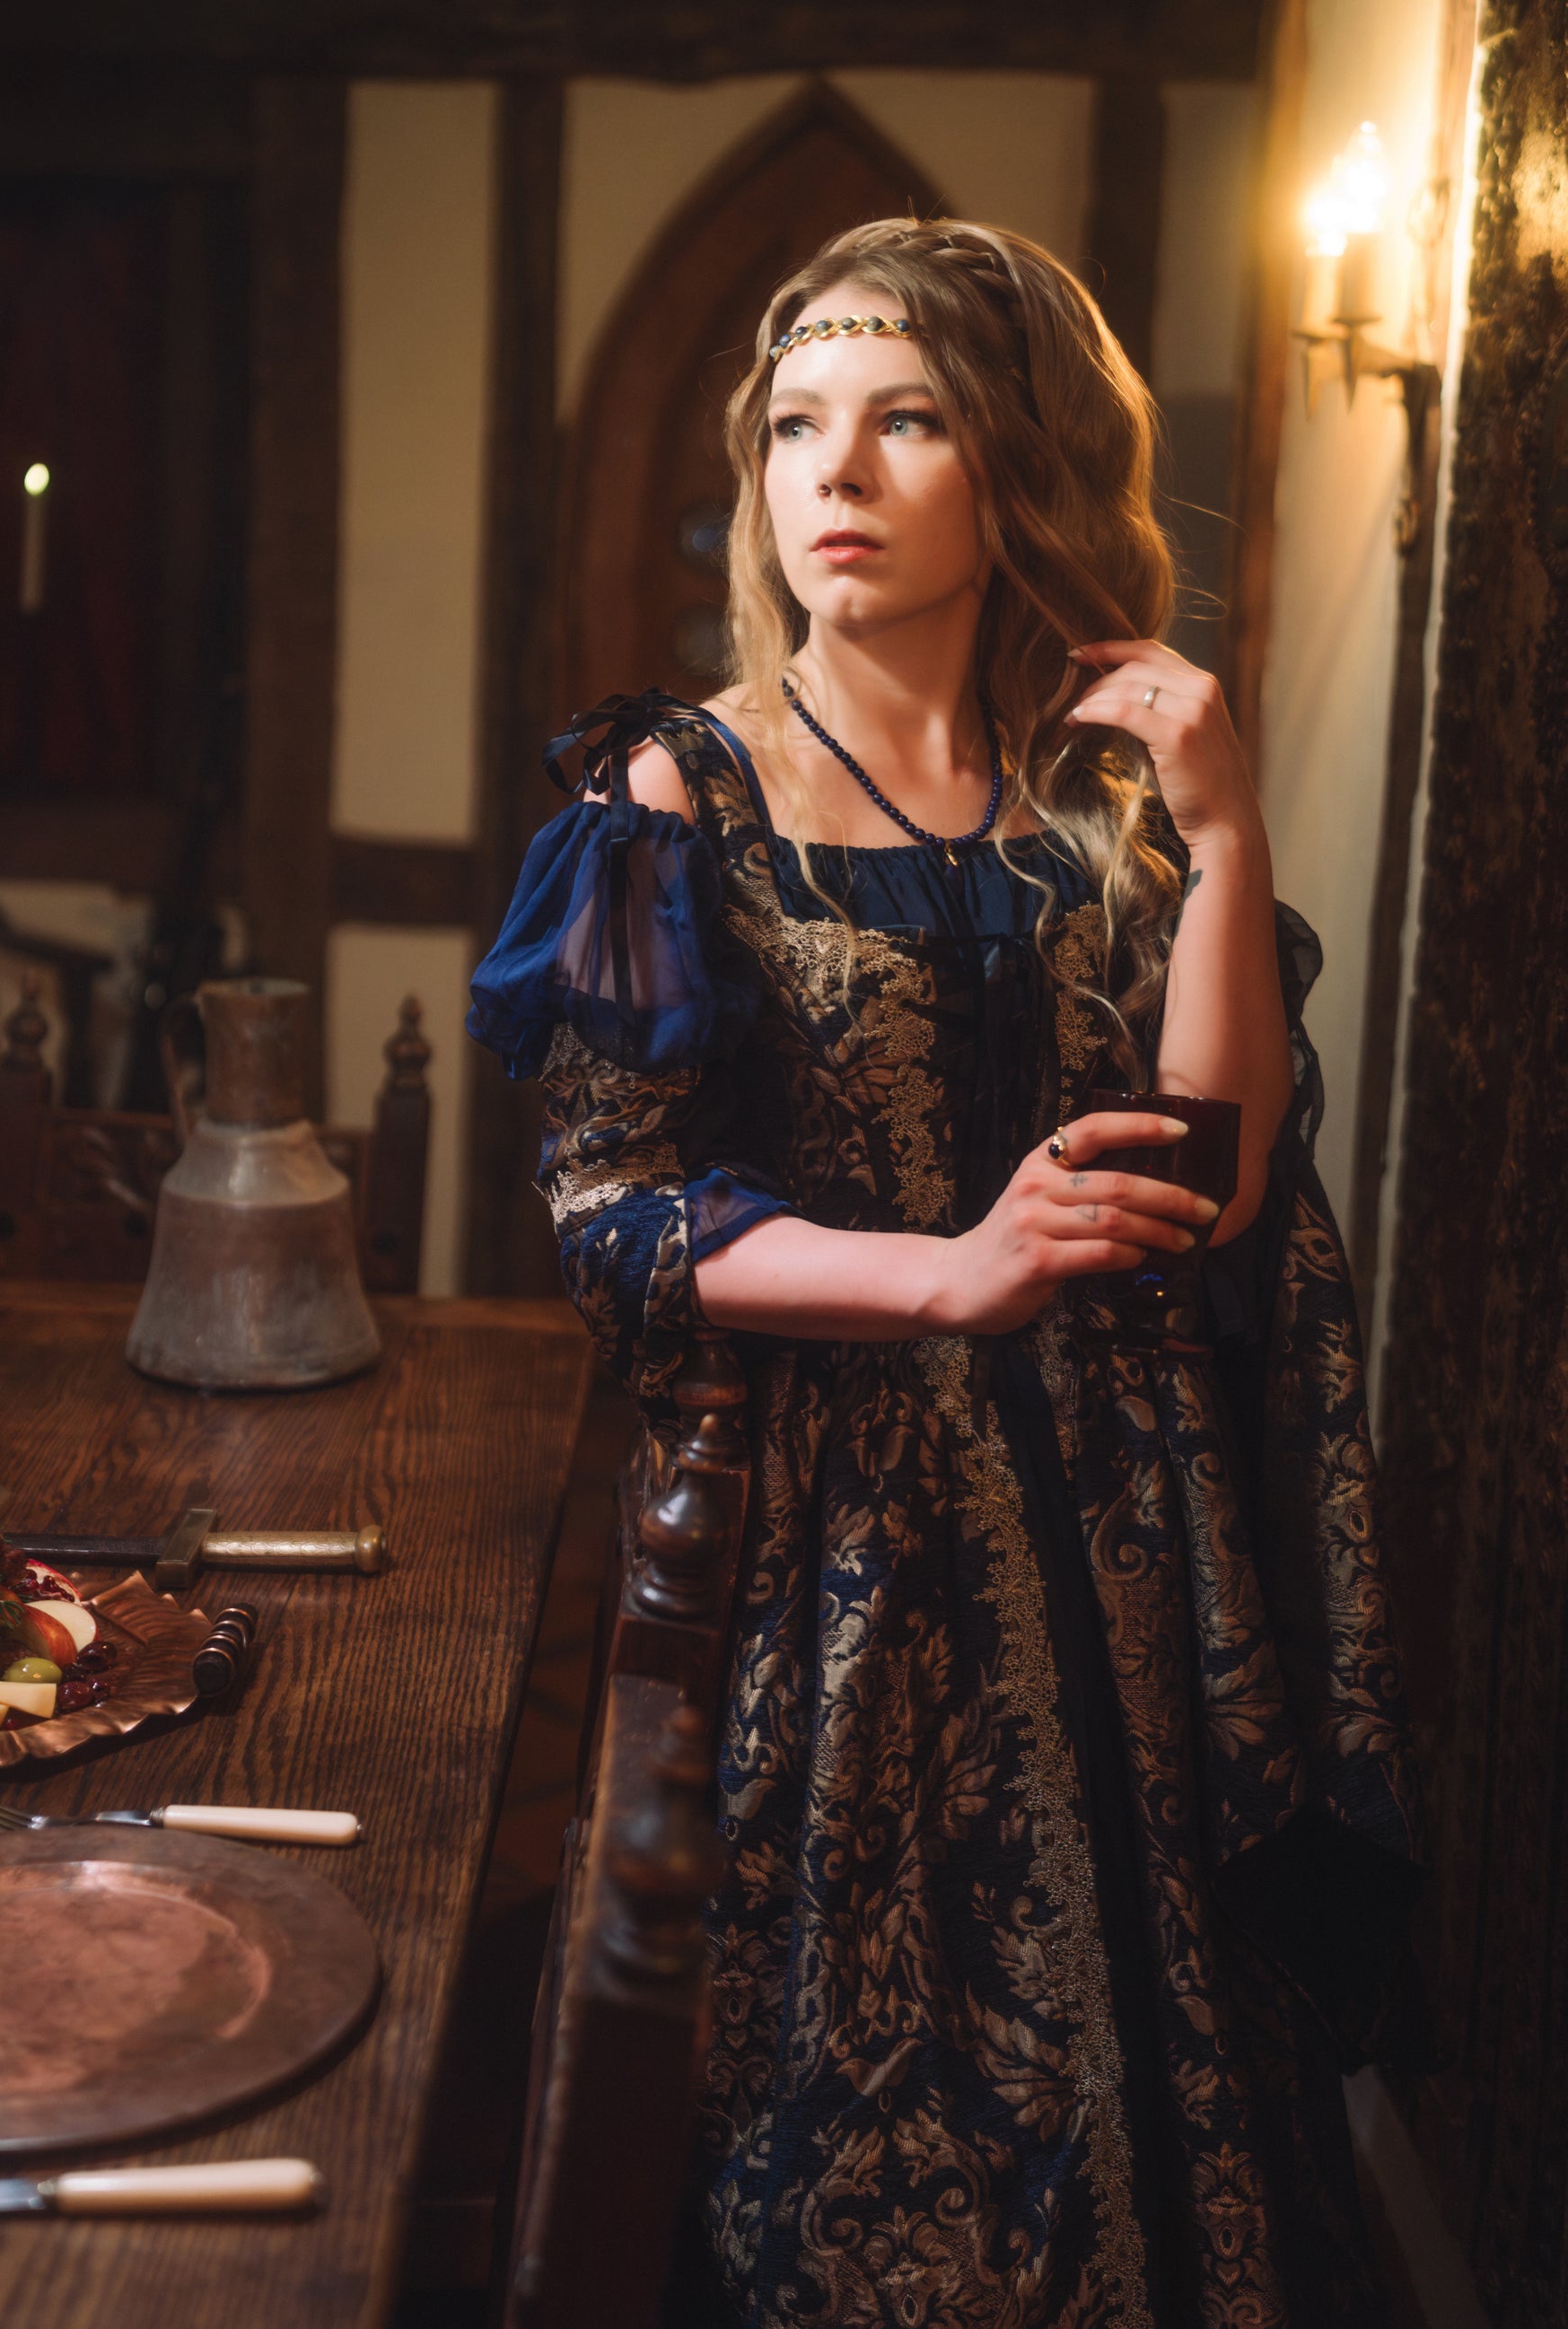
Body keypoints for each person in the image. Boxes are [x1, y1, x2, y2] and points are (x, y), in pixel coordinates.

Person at [469, 218, 1428, 2328]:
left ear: (1016, 467)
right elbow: (609, 1212)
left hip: (1135, 1527)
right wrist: (946, 1274)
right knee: (881, 2104)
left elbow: (1227, 1173)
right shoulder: (670, 796)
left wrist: (1230, 817)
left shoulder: (1107, 792)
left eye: (907, 420)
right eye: (797, 426)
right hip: (853, 1540)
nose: (837, 473)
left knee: (1189, 2096)